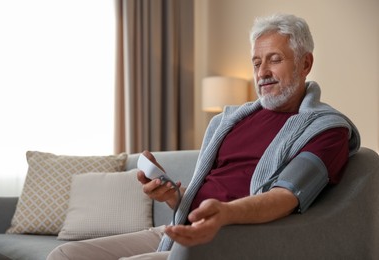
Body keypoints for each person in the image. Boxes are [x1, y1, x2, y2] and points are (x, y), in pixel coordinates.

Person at [47, 13, 360, 260]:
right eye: (256, 61)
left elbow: (286, 197)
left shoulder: (326, 130)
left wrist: (225, 214)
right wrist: (171, 195)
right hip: (181, 229)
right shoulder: (230, 120)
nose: (262, 72)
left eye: (275, 59)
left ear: (305, 63)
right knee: (65, 254)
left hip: (232, 238)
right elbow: (204, 192)